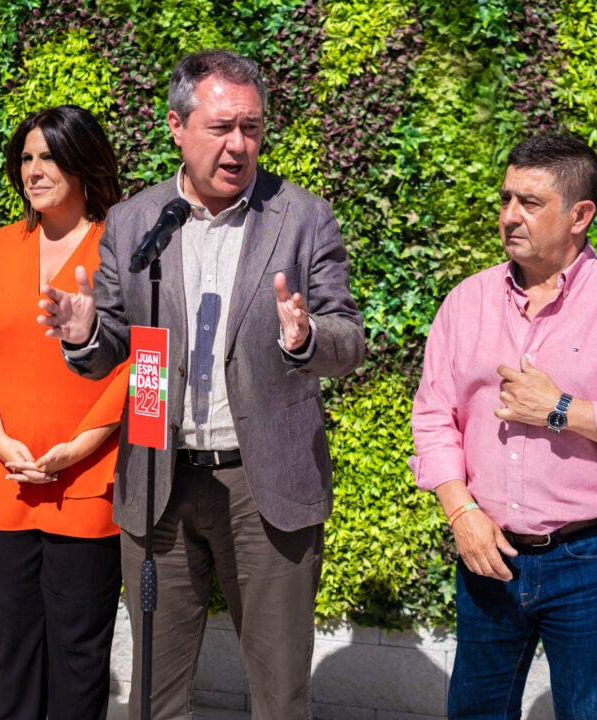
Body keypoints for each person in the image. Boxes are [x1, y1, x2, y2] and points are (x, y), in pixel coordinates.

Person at [38, 50, 365, 719]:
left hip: (264, 482)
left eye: (251, 127)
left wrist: (303, 338)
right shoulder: (136, 221)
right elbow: (112, 348)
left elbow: (348, 340)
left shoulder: (302, 218)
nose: (238, 145)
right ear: (176, 126)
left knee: (279, 693)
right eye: (221, 128)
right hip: (159, 477)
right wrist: (81, 334)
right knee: (154, 693)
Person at [409, 134, 597, 719]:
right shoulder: (466, 303)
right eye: (507, 198)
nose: (510, 216)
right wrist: (462, 514)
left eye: (531, 203)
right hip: (488, 555)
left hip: (590, 560)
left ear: (579, 216)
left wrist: (563, 410)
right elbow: (434, 418)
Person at [0, 105, 128, 720]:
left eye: (48, 156)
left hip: (89, 479)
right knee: (16, 642)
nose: (34, 170)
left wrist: (77, 449)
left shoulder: (122, 251)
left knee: (79, 648)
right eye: (26, 157)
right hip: (7, 477)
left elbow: (139, 362)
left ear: (83, 162)